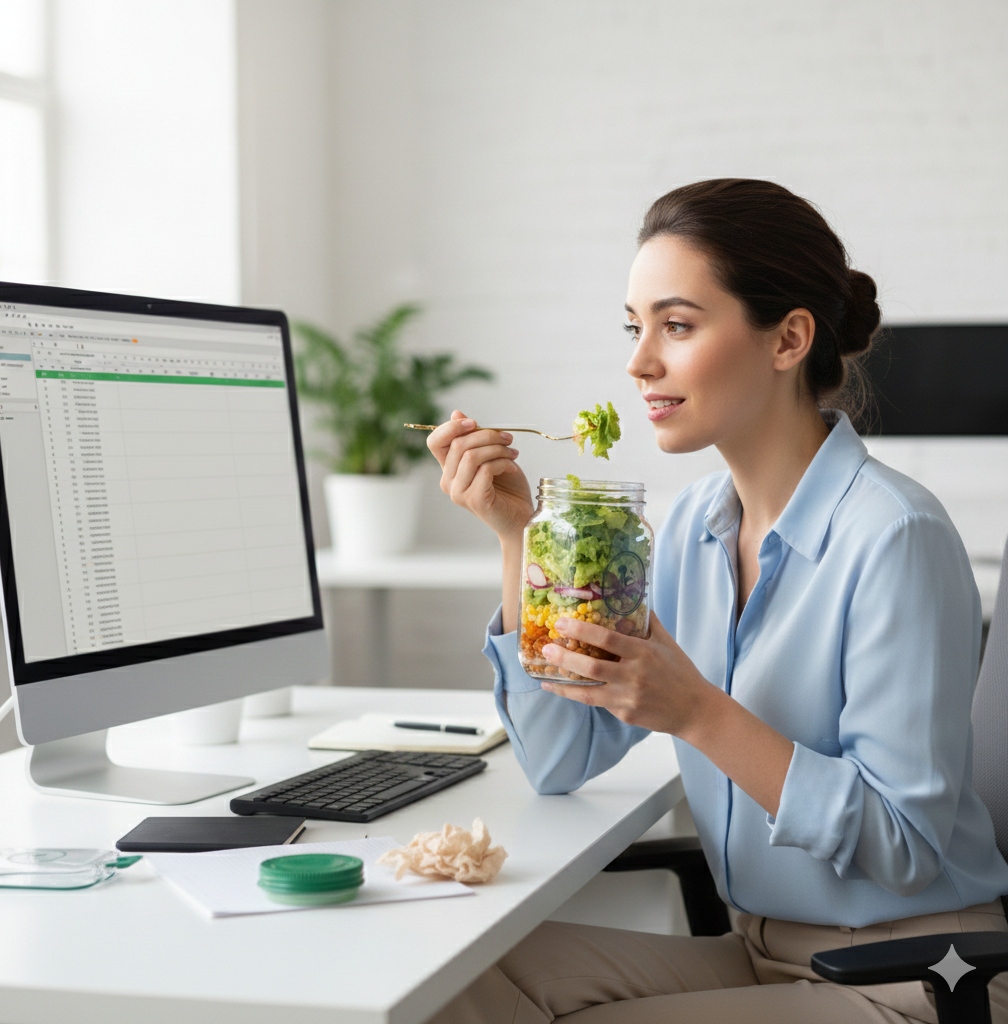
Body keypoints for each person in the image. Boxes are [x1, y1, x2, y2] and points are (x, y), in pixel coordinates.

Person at [424, 179, 1008, 1024]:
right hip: (758, 952)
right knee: (452, 978)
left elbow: (907, 847)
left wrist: (696, 713)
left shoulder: (896, 536)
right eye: (634, 328)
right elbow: (559, 758)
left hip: (912, 974)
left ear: (789, 339)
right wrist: (519, 540)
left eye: (678, 325)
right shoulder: (693, 525)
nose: (639, 362)